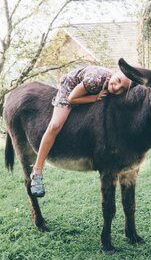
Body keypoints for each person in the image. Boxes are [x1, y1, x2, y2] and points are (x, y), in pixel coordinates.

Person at [30, 65, 131, 197]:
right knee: (55, 125)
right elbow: (72, 98)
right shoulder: (96, 80)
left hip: (88, 88)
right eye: (118, 81)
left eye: (122, 88)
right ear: (116, 72)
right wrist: (94, 98)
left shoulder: (111, 83)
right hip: (70, 89)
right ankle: (37, 171)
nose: (117, 87)